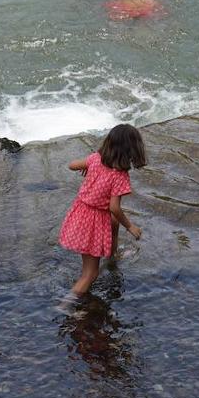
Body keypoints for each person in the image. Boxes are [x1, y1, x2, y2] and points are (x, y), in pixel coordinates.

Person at [59, 124, 146, 298]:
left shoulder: (95, 159)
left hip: (80, 214)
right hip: (94, 221)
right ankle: (66, 304)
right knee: (90, 274)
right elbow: (114, 207)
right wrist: (130, 226)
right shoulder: (120, 176)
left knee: (113, 222)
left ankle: (111, 258)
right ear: (131, 151)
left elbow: (71, 165)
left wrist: (87, 166)